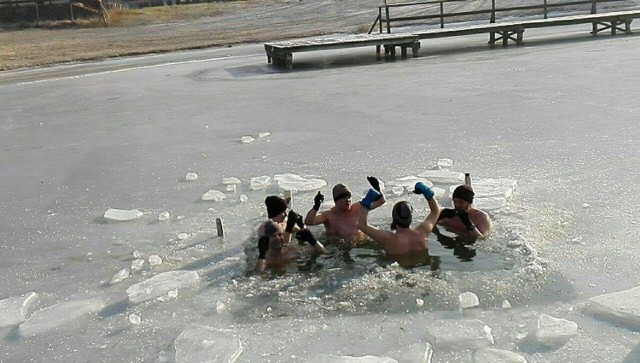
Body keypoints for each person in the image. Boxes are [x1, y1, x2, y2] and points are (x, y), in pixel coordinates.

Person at [358, 182, 440, 258]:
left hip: (395, 270)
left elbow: (362, 225)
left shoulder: (389, 239)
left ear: (394, 218)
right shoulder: (422, 232)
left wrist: (366, 204)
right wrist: (428, 193)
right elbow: (435, 212)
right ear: (410, 217)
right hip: (423, 269)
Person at [304, 177, 385, 242]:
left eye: (349, 196)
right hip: (336, 247)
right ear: (336, 201)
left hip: (358, 244)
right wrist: (316, 206)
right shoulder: (328, 215)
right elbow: (309, 221)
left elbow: (381, 201)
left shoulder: (358, 208)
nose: (347, 200)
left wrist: (377, 188)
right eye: (343, 197)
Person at [255, 221, 325, 273]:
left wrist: (312, 240)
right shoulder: (265, 259)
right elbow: (259, 274)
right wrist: (262, 254)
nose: (278, 238)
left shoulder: (292, 250)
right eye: (273, 236)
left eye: (280, 235)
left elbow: (322, 252)